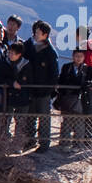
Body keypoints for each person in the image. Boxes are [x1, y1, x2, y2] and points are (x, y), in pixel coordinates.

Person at [23, 21, 59, 152]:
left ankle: (44, 144)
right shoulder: (29, 47)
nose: (35, 34)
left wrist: (49, 90)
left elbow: (54, 74)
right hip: (31, 89)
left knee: (44, 118)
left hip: (44, 91)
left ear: (45, 35)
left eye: (38, 32)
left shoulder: (50, 52)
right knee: (30, 116)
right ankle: (29, 141)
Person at [57, 47, 92, 150]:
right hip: (67, 99)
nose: (78, 58)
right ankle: (65, 144)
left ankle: (78, 144)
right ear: (73, 56)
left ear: (83, 57)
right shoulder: (66, 67)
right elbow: (61, 80)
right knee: (66, 121)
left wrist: (86, 84)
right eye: (76, 56)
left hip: (81, 100)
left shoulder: (88, 69)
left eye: (80, 56)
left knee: (79, 123)